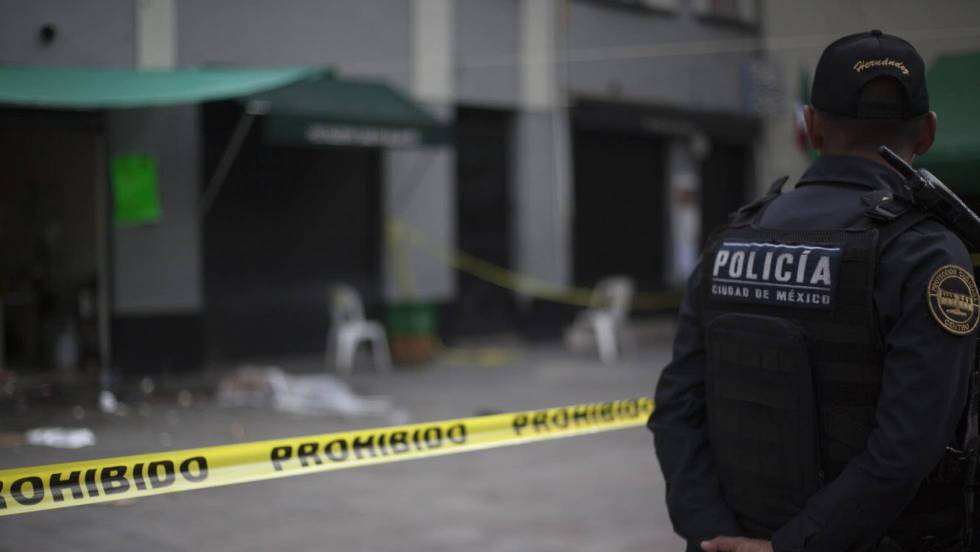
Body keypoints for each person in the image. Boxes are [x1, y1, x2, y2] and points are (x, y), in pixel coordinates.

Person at [649, 30, 979, 552]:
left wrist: (714, 532)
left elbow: (674, 409)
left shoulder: (732, 239)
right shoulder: (927, 255)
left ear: (811, 125)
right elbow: (907, 450)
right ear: (929, 132)